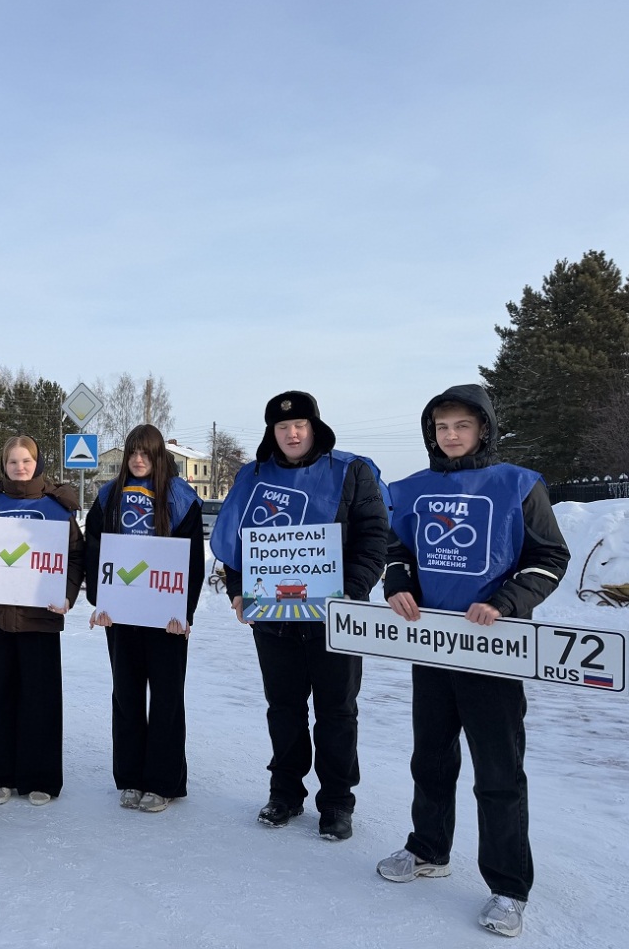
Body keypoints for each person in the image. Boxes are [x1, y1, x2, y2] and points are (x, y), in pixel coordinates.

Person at [376, 385, 569, 939]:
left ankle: (509, 886)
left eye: (462, 425)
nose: (451, 435)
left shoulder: (519, 484)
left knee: (498, 772)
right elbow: (397, 549)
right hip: (431, 647)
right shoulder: (412, 489)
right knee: (431, 758)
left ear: (484, 428)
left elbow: (549, 557)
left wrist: (506, 602)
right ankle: (428, 849)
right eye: (441, 427)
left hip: (493, 650)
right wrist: (398, 584)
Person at [210, 391, 387, 840]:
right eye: (283, 426)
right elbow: (237, 539)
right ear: (272, 432)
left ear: (314, 427)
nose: (292, 433)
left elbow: (373, 539)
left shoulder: (351, 471)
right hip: (274, 617)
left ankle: (337, 802)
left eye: (300, 425)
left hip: (336, 617)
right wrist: (237, 590)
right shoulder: (253, 476)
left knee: (337, 712)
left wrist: (350, 592)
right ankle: (285, 793)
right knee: (284, 709)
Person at [0, 435, 85, 806]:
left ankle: (39, 777)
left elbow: (75, 557)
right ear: (4, 465)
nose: (20, 467)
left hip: (39, 617)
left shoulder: (57, 507)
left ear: (37, 463)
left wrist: (68, 594)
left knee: (39, 699)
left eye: (26, 460)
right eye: (12, 461)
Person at [85, 425, 204, 814]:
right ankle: (131, 778)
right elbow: (95, 549)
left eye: (146, 453)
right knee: (127, 697)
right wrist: (100, 600)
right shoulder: (109, 496)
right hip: (121, 616)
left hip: (165, 619)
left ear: (158, 456)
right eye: (133, 453)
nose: (138, 460)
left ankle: (163, 783)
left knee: (167, 699)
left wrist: (183, 612)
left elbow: (192, 561)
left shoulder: (181, 498)